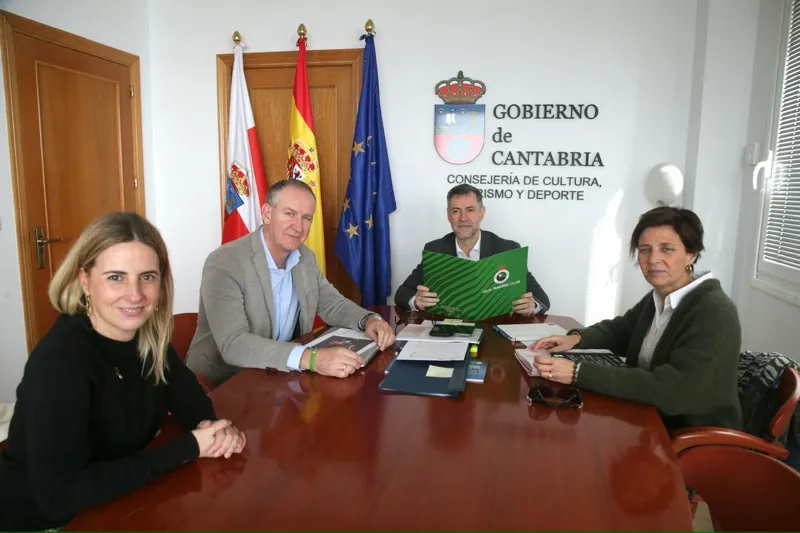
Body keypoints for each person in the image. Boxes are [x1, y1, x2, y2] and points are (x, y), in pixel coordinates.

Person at [0, 212, 246, 532]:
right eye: (116, 277)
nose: (135, 294)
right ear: (85, 280)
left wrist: (212, 428)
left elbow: (187, 396)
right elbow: (59, 497)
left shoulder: (147, 335)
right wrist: (189, 447)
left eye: (147, 276)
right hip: (44, 521)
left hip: (114, 502)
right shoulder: (61, 361)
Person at [530, 206, 742, 431]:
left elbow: (676, 390)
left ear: (691, 254)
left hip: (690, 434)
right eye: (645, 250)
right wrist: (575, 339)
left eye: (667, 249)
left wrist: (578, 373)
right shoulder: (660, 296)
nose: (653, 259)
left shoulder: (713, 312)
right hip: (645, 415)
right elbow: (621, 330)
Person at [186, 179, 395, 386]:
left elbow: (333, 304)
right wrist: (312, 358)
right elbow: (234, 344)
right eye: (289, 214)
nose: (299, 226)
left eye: (306, 218)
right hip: (220, 383)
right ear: (267, 213)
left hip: (276, 376)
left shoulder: (305, 257)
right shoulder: (225, 262)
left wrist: (369, 320)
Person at [394, 184, 550, 316]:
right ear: (448, 215)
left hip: (494, 328)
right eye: (456, 211)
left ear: (481, 213)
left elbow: (543, 300)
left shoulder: (507, 249)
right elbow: (402, 294)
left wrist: (532, 306)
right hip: (448, 329)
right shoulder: (435, 249)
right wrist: (417, 301)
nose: (463, 218)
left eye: (470, 210)